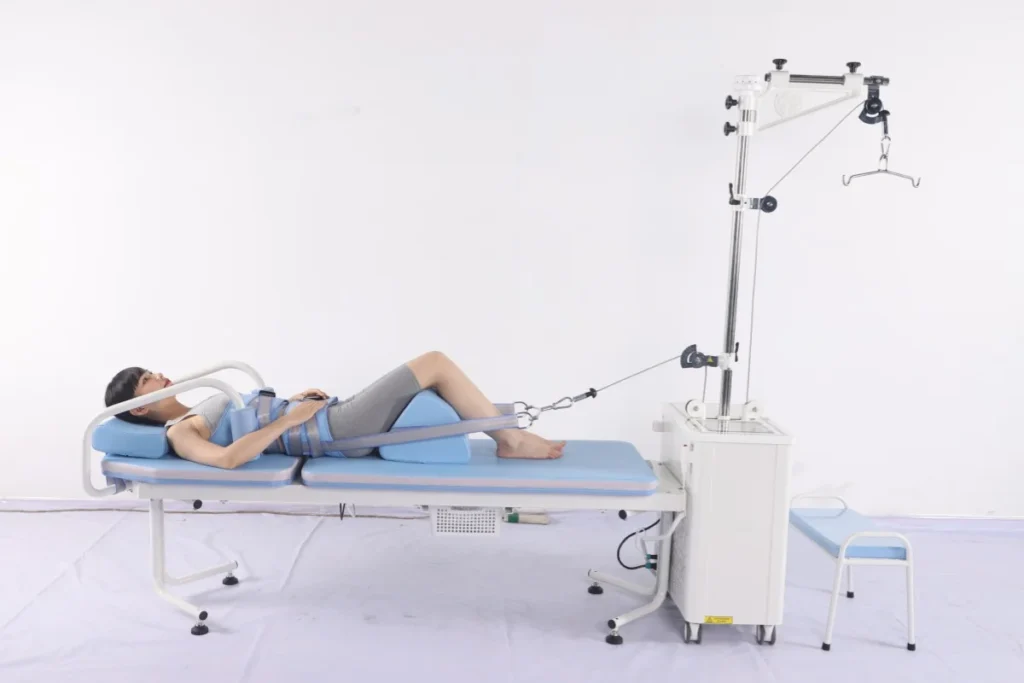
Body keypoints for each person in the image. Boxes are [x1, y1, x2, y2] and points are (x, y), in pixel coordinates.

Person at [104, 351, 565, 469]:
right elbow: (228, 459)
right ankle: (511, 440)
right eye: (149, 380)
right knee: (434, 363)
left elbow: (247, 418)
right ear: (141, 408)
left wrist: (290, 402)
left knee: (434, 369)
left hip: (322, 418)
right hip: (336, 431)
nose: (161, 376)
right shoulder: (179, 432)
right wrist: (289, 420)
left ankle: (509, 435)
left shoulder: (205, 398)